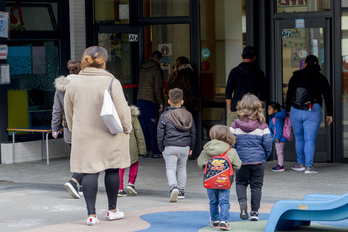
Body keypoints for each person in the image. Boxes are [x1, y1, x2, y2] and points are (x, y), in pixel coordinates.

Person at [64, 46, 132, 226]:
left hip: (84, 135)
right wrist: (127, 129)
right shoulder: (112, 82)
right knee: (111, 169)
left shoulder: (73, 83)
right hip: (109, 134)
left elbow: (68, 112)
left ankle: (91, 215)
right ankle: (112, 210)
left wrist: (75, 129)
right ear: (104, 61)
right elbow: (122, 111)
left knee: (89, 172)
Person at [286, 55, 333, 174]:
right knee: (309, 139)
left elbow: (289, 94)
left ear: (305, 64)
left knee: (299, 139)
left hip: (295, 110)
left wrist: (287, 110)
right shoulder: (320, 78)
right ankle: (309, 167)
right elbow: (328, 96)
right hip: (312, 110)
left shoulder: (295, 76)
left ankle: (300, 164)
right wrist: (330, 113)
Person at [230, 93, 272, 222]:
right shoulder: (263, 126)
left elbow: (231, 144)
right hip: (258, 161)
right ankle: (254, 212)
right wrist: (264, 156)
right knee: (256, 186)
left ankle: (242, 203)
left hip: (241, 161)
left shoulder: (234, 125)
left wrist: (234, 158)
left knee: (241, 183)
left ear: (241, 107)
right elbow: (268, 144)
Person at [197, 125, 241, 231]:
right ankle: (223, 221)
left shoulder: (207, 149)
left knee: (213, 201)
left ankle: (215, 220)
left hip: (210, 181)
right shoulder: (231, 151)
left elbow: (200, 163)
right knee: (224, 201)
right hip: (224, 181)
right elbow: (238, 165)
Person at [51, 60, 84, 199]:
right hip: (83, 125)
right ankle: (75, 181)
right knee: (85, 157)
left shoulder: (61, 87)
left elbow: (57, 110)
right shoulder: (84, 84)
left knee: (76, 156)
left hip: (68, 126)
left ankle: (80, 185)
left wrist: (55, 128)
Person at [157, 88, 196, 202]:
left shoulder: (165, 116)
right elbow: (193, 133)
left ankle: (173, 187)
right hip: (185, 146)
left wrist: (161, 148)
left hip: (170, 145)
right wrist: (192, 147)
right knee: (182, 168)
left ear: (169, 101)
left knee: (170, 168)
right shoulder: (188, 115)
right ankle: (181, 191)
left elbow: (160, 134)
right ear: (182, 101)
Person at [225, 45, 266, 127]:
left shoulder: (234, 71)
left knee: (232, 137)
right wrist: (257, 109)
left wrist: (229, 110)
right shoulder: (259, 73)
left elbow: (228, 92)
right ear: (254, 57)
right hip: (252, 111)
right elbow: (263, 95)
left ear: (242, 56)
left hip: (236, 109)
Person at [137, 51, 164, 158]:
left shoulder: (143, 67)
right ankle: (155, 150)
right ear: (160, 59)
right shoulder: (156, 69)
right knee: (153, 126)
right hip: (150, 100)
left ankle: (144, 150)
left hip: (140, 99)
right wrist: (161, 102)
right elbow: (157, 88)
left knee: (143, 126)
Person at [118, 99, 147, 197]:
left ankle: (120, 188)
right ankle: (131, 183)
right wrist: (142, 149)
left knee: (120, 166)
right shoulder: (132, 115)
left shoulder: (113, 114)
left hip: (118, 144)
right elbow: (138, 132)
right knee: (134, 163)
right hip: (131, 143)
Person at [268, 102, 287, 172]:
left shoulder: (276, 119)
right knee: (279, 152)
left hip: (279, 139)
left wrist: (277, 138)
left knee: (279, 152)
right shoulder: (274, 118)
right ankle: (280, 164)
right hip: (279, 139)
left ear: (275, 111)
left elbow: (279, 129)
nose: (268, 111)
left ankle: (280, 165)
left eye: (270, 109)